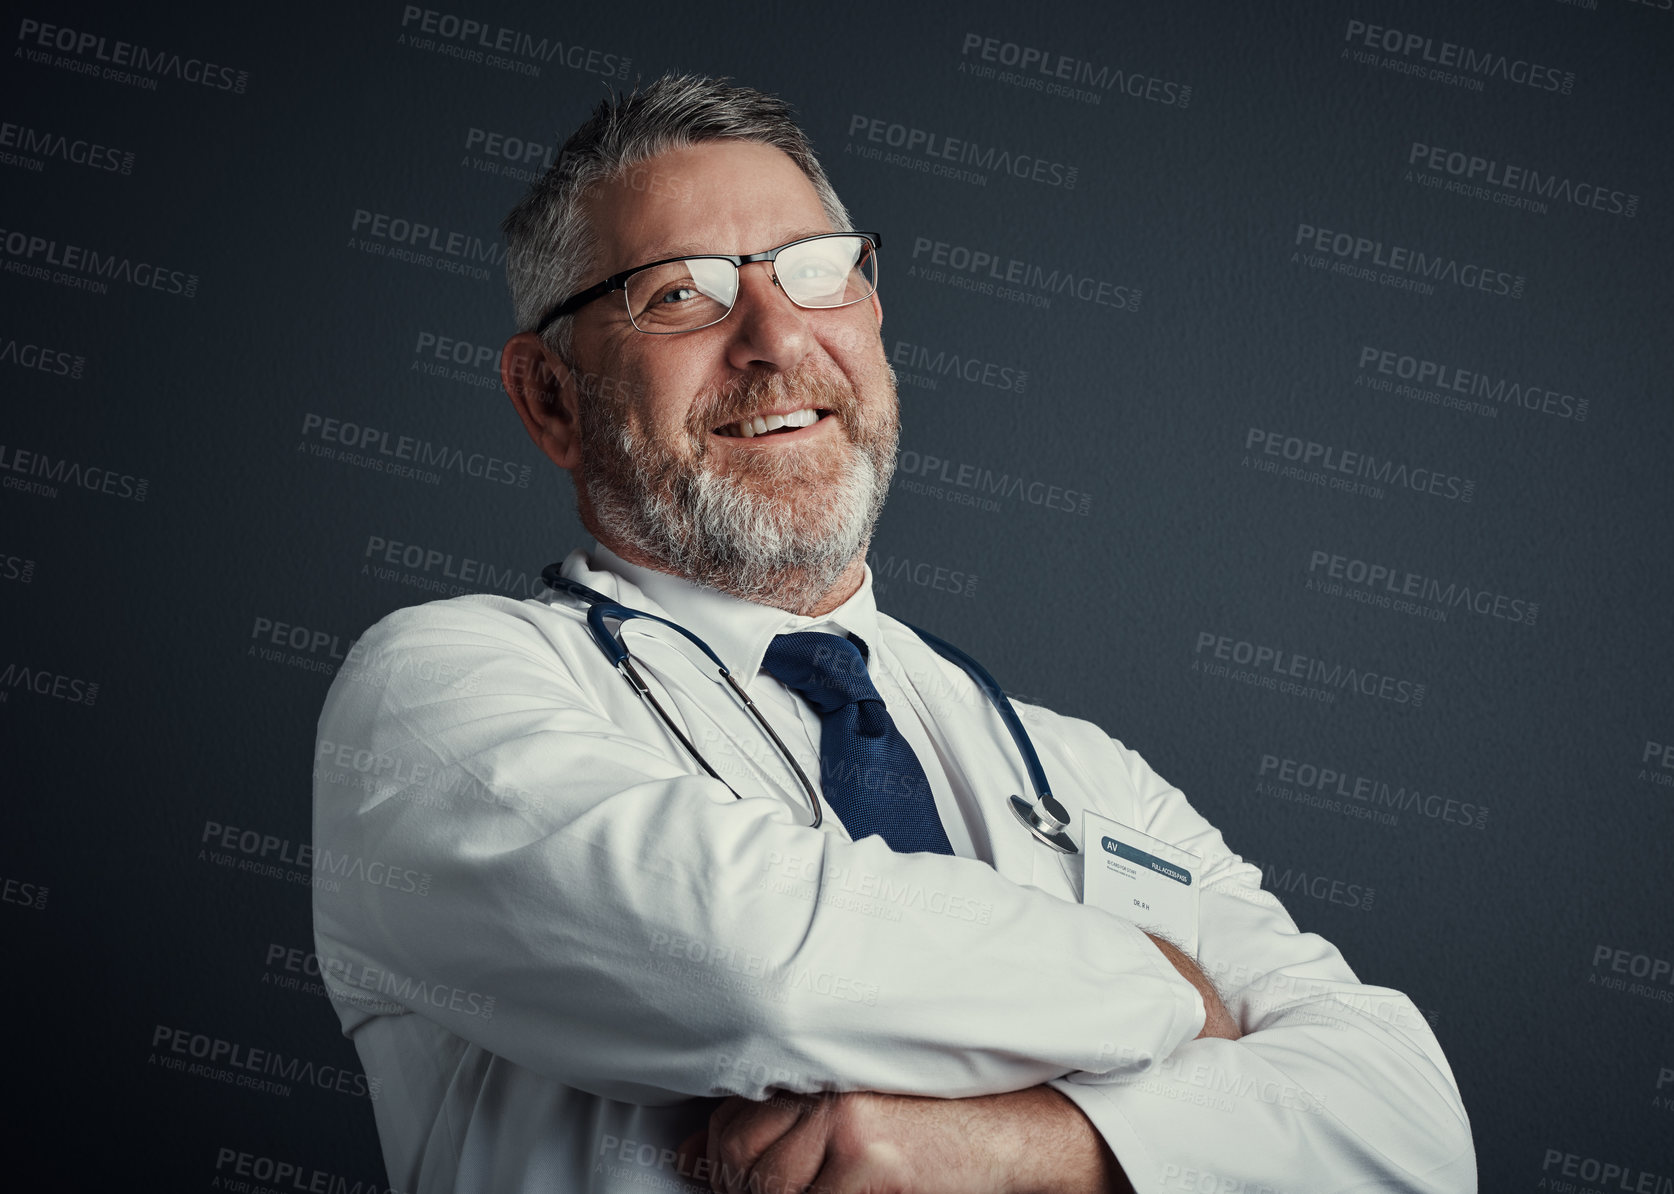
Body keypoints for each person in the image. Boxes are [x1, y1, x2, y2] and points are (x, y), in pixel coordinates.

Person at [312, 74, 1475, 1194]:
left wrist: (1040, 1151)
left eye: (819, 274)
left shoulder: (1083, 774)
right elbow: (755, 973)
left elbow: (1412, 1141)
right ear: (550, 398)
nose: (776, 338)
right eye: (682, 294)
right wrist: (1174, 988)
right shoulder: (436, 691)